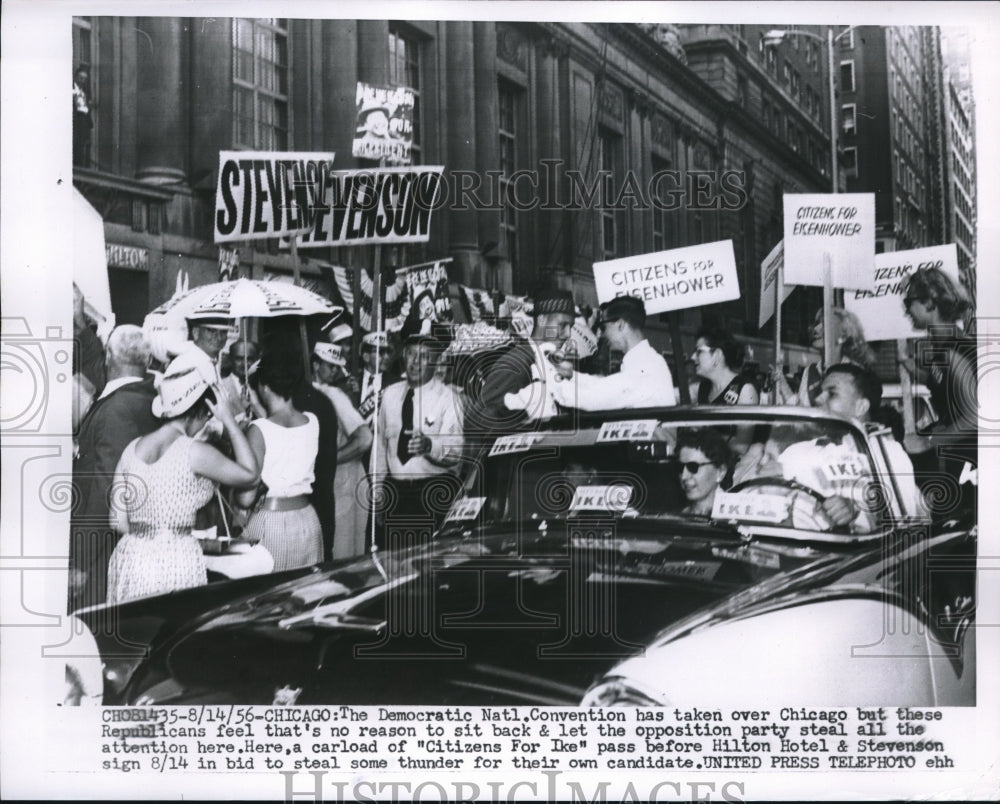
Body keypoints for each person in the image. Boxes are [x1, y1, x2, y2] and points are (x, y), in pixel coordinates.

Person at [106, 365, 260, 603]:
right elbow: (251, 474)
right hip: (175, 559)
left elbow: (117, 520)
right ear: (199, 412)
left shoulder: (132, 449)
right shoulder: (194, 452)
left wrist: (148, 541)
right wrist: (228, 420)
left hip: (131, 557)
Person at [737, 364, 920, 531]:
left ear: (861, 407)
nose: (817, 399)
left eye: (832, 394)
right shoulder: (797, 452)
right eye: (819, 391)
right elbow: (750, 508)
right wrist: (766, 487)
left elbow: (904, 523)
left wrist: (857, 510)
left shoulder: (885, 453)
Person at [69, 326, 159, 612]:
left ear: (109, 356)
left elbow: (106, 488)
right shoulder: (146, 399)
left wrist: (81, 563)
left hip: (101, 551)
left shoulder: (117, 409)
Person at [372, 335, 465, 545]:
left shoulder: (449, 398)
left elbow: (456, 451)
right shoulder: (389, 395)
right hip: (396, 495)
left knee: (428, 565)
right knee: (395, 562)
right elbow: (379, 449)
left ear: (435, 361)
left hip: (433, 494)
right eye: (411, 354)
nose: (415, 362)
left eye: (424, 356)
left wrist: (429, 446)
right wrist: (378, 493)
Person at [238, 360, 324, 571]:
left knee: (266, 595)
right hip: (307, 520)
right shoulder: (312, 421)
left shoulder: (258, 430)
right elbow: (282, 432)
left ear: (264, 387)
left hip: (270, 523)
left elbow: (245, 498)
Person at [550, 296, 676, 411]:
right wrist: (571, 375)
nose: (602, 334)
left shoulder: (645, 367)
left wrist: (549, 378)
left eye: (604, 327)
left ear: (620, 325)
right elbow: (604, 385)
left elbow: (593, 398)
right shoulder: (648, 361)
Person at [473, 288, 576, 429]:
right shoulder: (516, 363)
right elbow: (480, 418)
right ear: (541, 320)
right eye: (562, 325)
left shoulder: (549, 362)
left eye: (571, 326)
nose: (567, 334)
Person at [313, 343, 372, 559]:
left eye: (337, 367)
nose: (335, 371)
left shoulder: (335, 395)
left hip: (345, 484)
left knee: (342, 555)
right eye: (330, 366)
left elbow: (364, 438)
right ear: (315, 364)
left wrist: (328, 461)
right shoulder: (312, 393)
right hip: (331, 485)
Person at [771, 307, 874, 406]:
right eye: (816, 324)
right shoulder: (810, 371)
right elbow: (803, 415)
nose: (815, 328)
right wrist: (782, 383)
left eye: (825, 324)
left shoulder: (854, 372)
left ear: (842, 337)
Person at [692, 326, 759, 406]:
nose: (693, 357)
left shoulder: (745, 390)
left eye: (699, 351)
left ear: (717, 355)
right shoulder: (702, 388)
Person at [675, 428, 733, 516]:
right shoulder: (677, 517)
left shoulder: (734, 518)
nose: (684, 476)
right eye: (680, 467)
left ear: (721, 472)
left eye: (693, 467)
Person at [358, 331, 401, 426]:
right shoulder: (348, 384)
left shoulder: (397, 384)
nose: (386, 357)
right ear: (366, 356)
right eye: (380, 352)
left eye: (388, 352)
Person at [220, 338, 263, 424]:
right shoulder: (221, 386)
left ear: (257, 360)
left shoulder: (263, 387)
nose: (244, 364)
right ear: (230, 359)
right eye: (239, 359)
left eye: (249, 359)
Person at [72, 65, 93, 167]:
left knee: (80, 150)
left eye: (85, 79)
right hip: (74, 123)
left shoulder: (84, 92)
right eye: (81, 78)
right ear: (75, 77)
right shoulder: (70, 89)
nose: (82, 81)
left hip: (83, 124)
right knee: (74, 149)